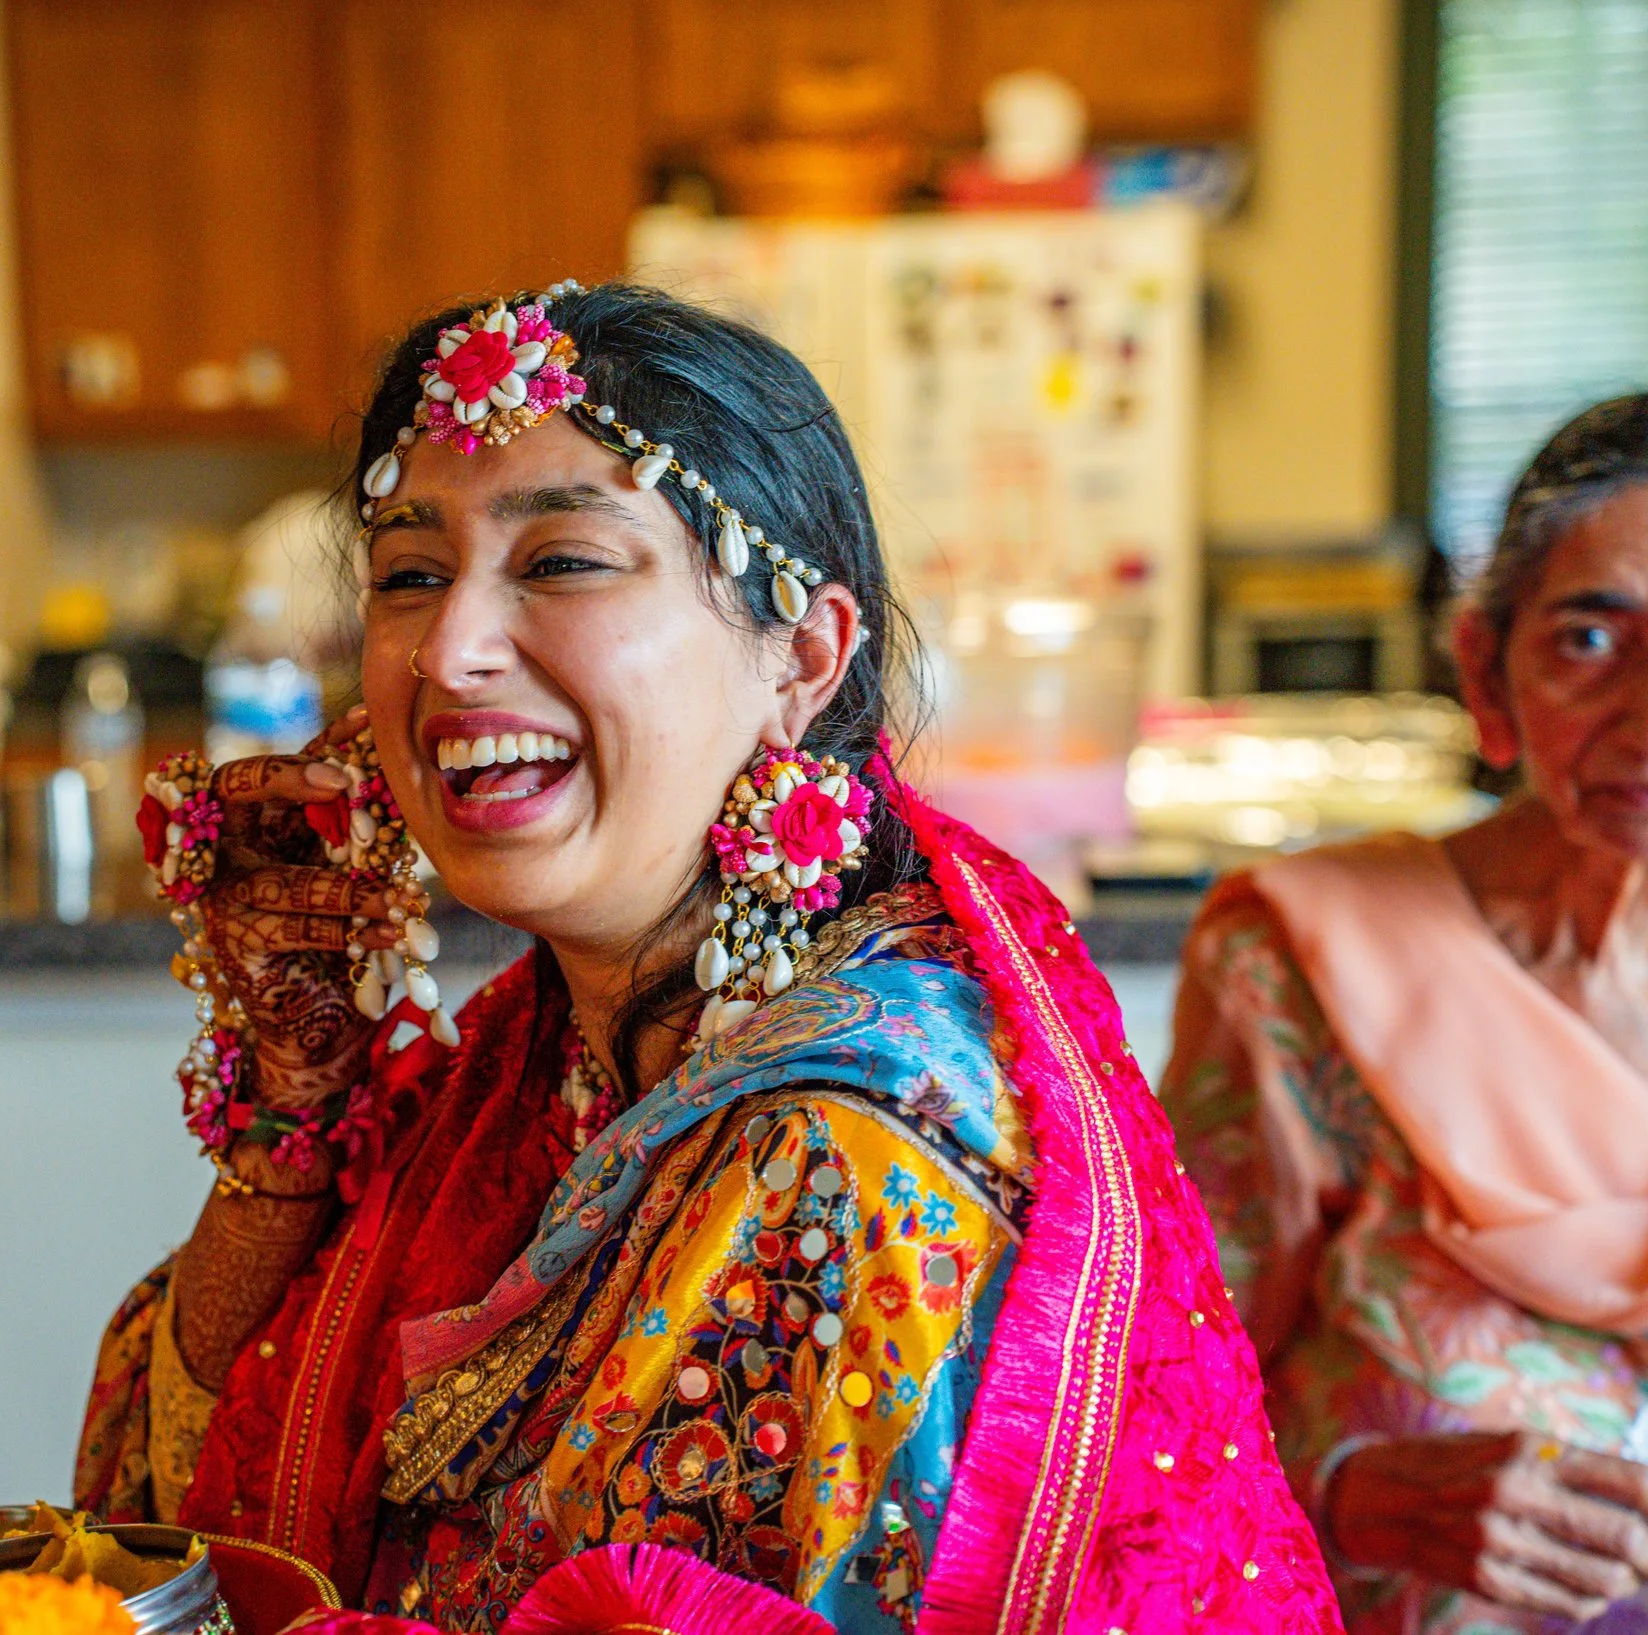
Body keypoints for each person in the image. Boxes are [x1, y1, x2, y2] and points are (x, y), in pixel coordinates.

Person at [75, 282, 1339, 1634]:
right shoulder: (547, 1056)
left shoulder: (853, 1159)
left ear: (801, 657)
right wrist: (294, 1105)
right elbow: (169, 1518)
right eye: (409, 574)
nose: (450, 649)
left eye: (562, 561)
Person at [1163, 389, 1648, 1634]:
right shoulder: (1305, 960)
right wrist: (1353, 1494)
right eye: (1591, 639)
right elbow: (1150, 1407)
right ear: (1486, 669)